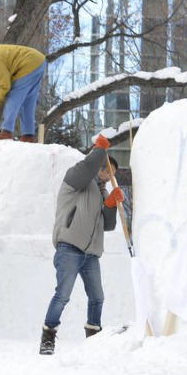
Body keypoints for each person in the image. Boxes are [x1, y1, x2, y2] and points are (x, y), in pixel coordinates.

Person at [39, 135, 123, 355]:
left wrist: (110, 205)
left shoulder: (101, 193)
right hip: (70, 248)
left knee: (97, 297)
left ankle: (93, 337)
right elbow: (88, 167)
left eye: (112, 174)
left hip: (91, 254)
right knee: (63, 295)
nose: (109, 176)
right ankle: (48, 337)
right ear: (98, 166)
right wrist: (99, 150)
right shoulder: (76, 180)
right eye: (107, 170)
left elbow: (109, 225)